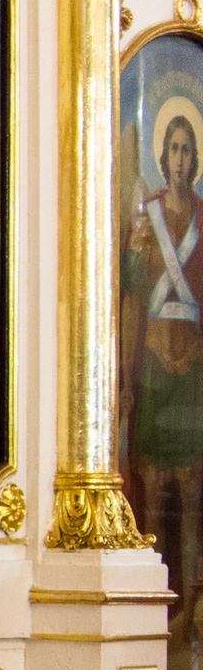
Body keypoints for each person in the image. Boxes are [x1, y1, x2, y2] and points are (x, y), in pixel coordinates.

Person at [122, 105, 203, 634]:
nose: (178, 159)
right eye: (172, 149)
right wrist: (126, 378)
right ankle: (152, 606)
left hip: (192, 370)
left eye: (187, 150)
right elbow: (130, 295)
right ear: (162, 155)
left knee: (193, 498)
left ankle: (194, 609)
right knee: (150, 493)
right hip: (151, 364)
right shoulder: (145, 215)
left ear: (195, 161)